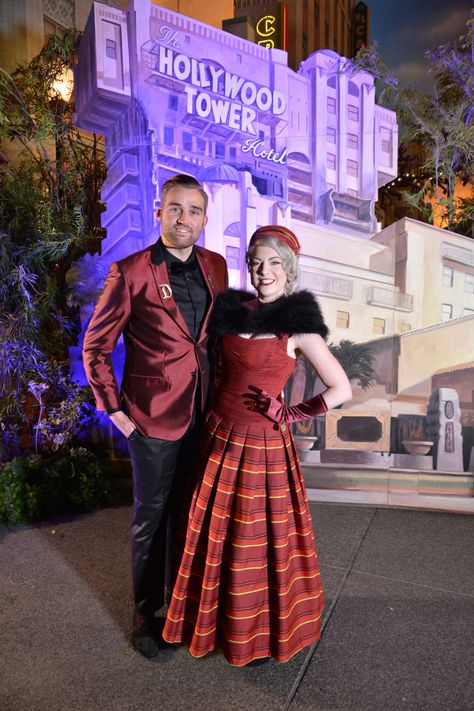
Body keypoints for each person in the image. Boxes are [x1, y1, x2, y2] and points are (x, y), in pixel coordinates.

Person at [162, 224, 352, 666]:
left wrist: (290, 414)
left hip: (261, 447)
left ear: (289, 269)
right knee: (210, 536)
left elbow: (341, 388)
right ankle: (208, 625)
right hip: (217, 435)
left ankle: (256, 635)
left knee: (254, 541)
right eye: (256, 262)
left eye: (273, 263)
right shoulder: (236, 310)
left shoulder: (299, 328)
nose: (263, 271)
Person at [82, 174, 228, 659]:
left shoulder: (217, 267)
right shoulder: (131, 272)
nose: (184, 218)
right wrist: (116, 412)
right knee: (150, 520)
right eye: (175, 208)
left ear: (205, 219)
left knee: (190, 517)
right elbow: (96, 346)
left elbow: (215, 338)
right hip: (150, 419)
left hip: (204, 413)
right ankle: (146, 617)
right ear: (158, 211)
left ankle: (182, 610)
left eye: (193, 210)